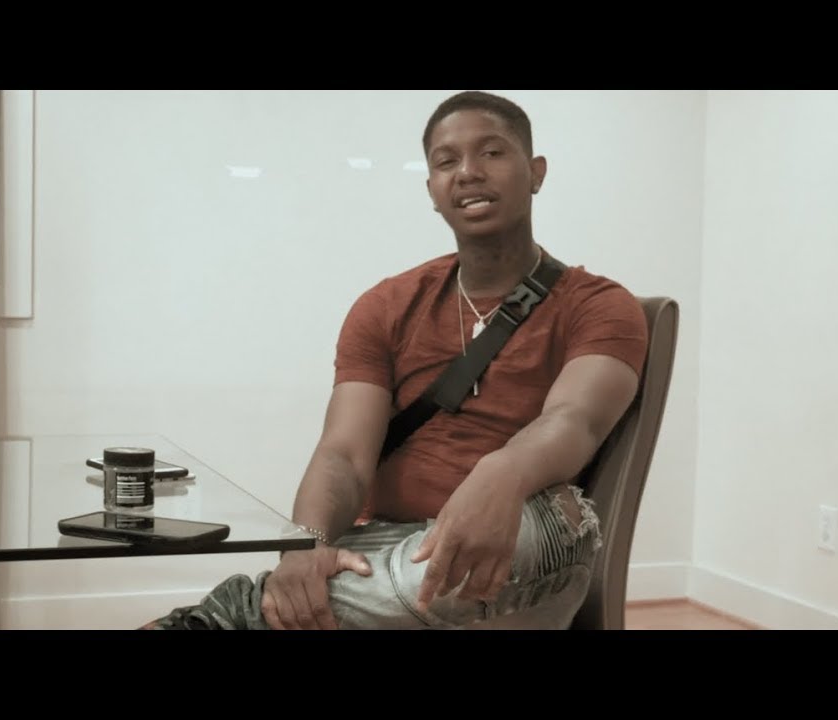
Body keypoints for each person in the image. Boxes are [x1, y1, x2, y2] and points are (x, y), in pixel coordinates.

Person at [143, 90, 649, 630]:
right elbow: (342, 455)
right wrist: (305, 546)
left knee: (553, 525)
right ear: (432, 190)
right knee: (335, 567)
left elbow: (573, 420)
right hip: (391, 544)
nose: (468, 172)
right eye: (446, 161)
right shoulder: (386, 306)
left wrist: (500, 472)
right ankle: (283, 607)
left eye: (492, 152)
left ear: (536, 173)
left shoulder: (600, 305)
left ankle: (234, 615)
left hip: (523, 533)